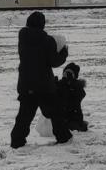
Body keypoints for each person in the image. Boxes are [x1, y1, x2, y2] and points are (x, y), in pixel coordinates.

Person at [10, 11, 71, 148]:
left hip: (26, 83)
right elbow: (54, 62)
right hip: (44, 85)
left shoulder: (22, 36)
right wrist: (64, 53)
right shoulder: (48, 40)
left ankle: (17, 141)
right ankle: (63, 137)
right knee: (56, 113)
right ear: (42, 25)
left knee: (24, 116)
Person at [58, 62, 88, 132]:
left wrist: (72, 84)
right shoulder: (61, 84)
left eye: (69, 73)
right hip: (62, 116)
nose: (66, 75)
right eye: (65, 73)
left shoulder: (77, 86)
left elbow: (79, 97)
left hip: (74, 116)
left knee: (77, 126)